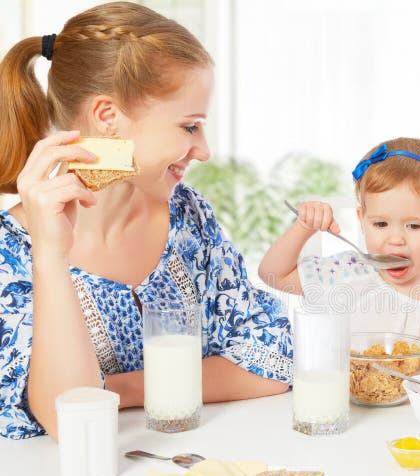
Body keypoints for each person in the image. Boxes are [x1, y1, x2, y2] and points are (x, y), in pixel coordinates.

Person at [0, 2, 293, 441]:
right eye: (190, 126)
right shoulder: (13, 252)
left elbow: (274, 360)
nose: (204, 150)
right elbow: (69, 420)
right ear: (108, 117)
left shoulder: (189, 218)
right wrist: (49, 253)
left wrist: (116, 389)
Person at [259, 137, 420, 377]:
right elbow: (273, 274)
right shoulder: (346, 272)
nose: (396, 239)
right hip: (351, 410)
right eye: (381, 223)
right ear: (362, 220)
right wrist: (304, 226)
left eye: (413, 226)